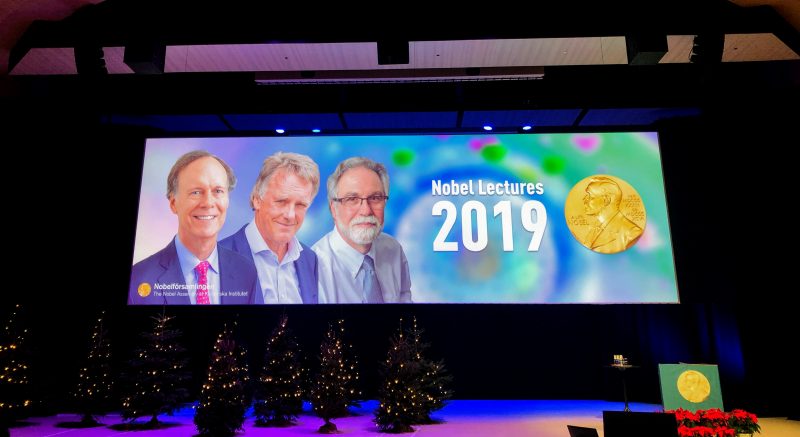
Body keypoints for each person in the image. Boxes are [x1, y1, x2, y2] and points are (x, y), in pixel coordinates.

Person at [128, 150, 258, 305]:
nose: (208, 203)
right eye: (196, 192)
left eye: (218, 191)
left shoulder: (247, 271)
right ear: (173, 203)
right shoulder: (138, 278)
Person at [219, 152, 319, 304]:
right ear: (257, 199)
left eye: (300, 205)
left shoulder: (310, 259)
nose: (290, 215)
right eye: (281, 201)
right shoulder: (216, 258)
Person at [313, 157, 411, 303]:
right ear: (333, 209)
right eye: (352, 199)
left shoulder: (393, 250)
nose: (366, 210)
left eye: (375, 198)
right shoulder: (314, 270)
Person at [581, 176, 643, 254]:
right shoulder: (594, 229)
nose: (584, 200)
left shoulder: (631, 233)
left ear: (606, 200)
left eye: (590, 196)